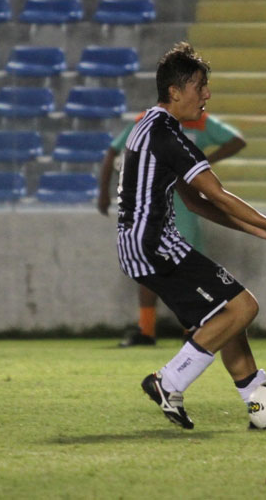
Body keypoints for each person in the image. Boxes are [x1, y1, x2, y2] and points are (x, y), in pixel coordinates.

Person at [115, 42, 266, 429]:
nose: (206, 94)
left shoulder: (154, 126)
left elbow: (197, 204)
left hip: (140, 242)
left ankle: (259, 403)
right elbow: (218, 195)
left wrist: (260, 229)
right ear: (174, 92)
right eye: (199, 86)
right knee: (243, 307)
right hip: (152, 242)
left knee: (225, 318)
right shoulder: (166, 135)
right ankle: (167, 381)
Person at [99, 110, 246, 347]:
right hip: (152, 209)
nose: (203, 95)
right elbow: (113, 152)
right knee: (151, 270)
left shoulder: (200, 121)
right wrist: (103, 192)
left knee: (185, 269)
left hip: (184, 208)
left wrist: (203, 164)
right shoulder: (149, 124)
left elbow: (237, 141)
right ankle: (149, 330)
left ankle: (191, 329)